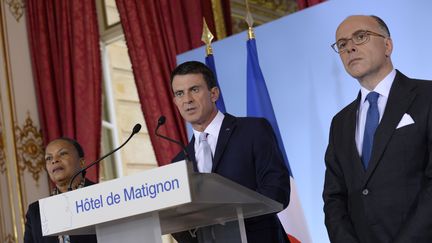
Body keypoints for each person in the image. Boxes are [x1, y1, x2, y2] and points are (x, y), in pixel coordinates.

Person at [323, 15, 432, 243]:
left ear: (387, 45)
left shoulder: (427, 96)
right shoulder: (339, 122)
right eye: (342, 44)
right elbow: (334, 198)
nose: (350, 48)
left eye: (360, 37)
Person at [169, 61, 291, 243]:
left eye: (194, 89)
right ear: (175, 102)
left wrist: (227, 219)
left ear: (214, 93)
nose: (187, 99)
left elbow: (277, 190)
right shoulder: (179, 162)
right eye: (180, 93)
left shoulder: (253, 130)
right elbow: (178, 223)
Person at [24, 138, 98, 243]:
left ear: (81, 162)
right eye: (49, 158)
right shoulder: (36, 212)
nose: (54, 160)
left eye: (62, 154)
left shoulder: (101, 196)